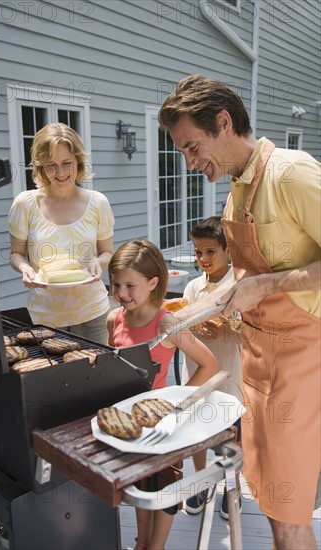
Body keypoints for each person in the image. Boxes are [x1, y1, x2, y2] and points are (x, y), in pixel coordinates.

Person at [158, 74, 321, 549]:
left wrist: (266, 285)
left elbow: (267, 281)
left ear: (224, 123)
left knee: (290, 514)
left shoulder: (292, 173)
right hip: (258, 364)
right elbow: (249, 277)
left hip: (300, 363)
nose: (188, 164)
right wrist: (193, 312)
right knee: (270, 502)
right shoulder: (237, 191)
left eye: (191, 147)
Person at [107, 239, 218, 550]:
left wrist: (178, 404)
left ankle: (156, 546)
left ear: (153, 282)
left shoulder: (166, 324)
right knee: (140, 483)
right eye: (116, 285)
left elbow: (209, 364)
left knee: (165, 488)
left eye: (130, 285)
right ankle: (142, 542)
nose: (121, 293)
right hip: (129, 422)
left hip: (164, 425)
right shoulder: (114, 318)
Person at [8, 122, 114, 344]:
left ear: (78, 161)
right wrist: (26, 268)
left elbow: (107, 253)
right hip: (46, 317)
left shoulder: (98, 203)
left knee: (97, 378)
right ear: (40, 167)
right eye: (50, 165)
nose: (60, 173)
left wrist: (98, 262)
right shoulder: (25, 204)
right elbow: (15, 255)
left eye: (67, 163)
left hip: (93, 313)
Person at [175, 216, 242, 519]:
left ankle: (233, 485)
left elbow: (248, 330)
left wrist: (227, 325)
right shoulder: (192, 288)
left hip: (231, 377)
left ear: (227, 251)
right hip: (198, 376)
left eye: (210, 252)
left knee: (232, 437)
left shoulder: (238, 286)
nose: (202, 258)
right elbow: (181, 324)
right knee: (197, 436)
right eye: (198, 252)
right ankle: (202, 482)